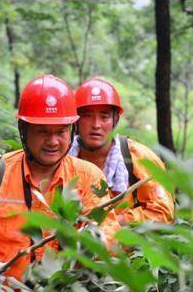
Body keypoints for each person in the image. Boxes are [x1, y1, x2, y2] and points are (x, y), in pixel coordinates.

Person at [0, 74, 120, 284]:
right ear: (24, 130)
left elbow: (108, 227)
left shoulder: (87, 177)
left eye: (61, 131)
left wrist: (96, 242)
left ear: (71, 130)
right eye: (42, 132)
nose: (53, 141)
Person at [70, 77, 175, 225]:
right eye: (87, 116)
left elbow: (163, 212)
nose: (96, 125)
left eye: (104, 117)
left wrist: (114, 223)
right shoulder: (63, 160)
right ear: (76, 120)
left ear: (115, 119)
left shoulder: (139, 157)